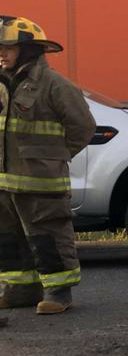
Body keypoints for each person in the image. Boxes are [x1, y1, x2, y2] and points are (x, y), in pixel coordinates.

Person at [0, 16, 94, 314]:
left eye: (8, 47)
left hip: (42, 181)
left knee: (48, 237)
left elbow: (83, 126)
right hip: (4, 182)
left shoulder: (54, 85)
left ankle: (58, 293)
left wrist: (54, 156)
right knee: (10, 239)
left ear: (28, 50)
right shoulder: (2, 84)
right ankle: (19, 291)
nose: (2, 53)